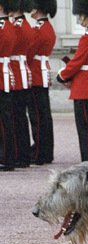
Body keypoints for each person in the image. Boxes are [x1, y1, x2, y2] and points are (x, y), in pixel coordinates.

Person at [56, 0, 88, 162]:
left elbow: (78, 61)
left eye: (81, 15)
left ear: (86, 15)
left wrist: (62, 76)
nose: (80, 18)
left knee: (86, 129)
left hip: (85, 87)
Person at [27, 0, 56, 165]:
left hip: (35, 74)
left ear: (38, 9)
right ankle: (46, 150)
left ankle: (39, 152)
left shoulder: (38, 29)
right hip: (42, 72)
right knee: (44, 116)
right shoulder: (48, 28)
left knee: (37, 116)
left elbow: (29, 52)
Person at [9, 0, 34, 168]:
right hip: (22, 72)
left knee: (16, 118)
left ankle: (19, 154)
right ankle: (23, 153)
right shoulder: (26, 25)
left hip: (16, 74)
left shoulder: (17, 27)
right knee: (20, 117)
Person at [0, 0, 17, 171]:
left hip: (1, 75)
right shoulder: (10, 26)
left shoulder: (2, 28)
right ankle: (8, 156)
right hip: (5, 74)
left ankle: (5, 157)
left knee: (4, 120)